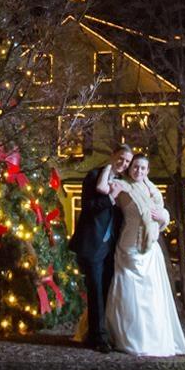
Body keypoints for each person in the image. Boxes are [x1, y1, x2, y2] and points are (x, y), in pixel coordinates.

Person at [105, 154, 185, 357]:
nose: (139, 171)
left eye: (143, 168)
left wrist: (164, 217)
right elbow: (104, 194)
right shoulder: (122, 185)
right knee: (129, 292)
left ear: (147, 170)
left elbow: (161, 212)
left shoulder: (151, 188)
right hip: (129, 247)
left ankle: (152, 337)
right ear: (130, 168)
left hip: (150, 249)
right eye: (135, 167)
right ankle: (127, 337)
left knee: (151, 295)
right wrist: (110, 165)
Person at [68, 144, 132, 352]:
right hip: (93, 243)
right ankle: (98, 338)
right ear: (113, 155)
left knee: (107, 290)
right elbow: (89, 207)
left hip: (113, 246)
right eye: (121, 158)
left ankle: (101, 332)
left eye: (127, 161)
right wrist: (110, 198)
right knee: (95, 290)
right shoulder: (94, 175)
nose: (124, 163)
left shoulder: (123, 182)